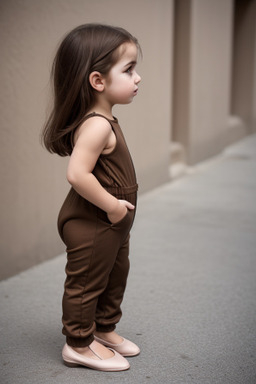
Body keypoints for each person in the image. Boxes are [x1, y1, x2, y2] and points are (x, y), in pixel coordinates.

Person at [42, 24, 141, 372]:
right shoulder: (97, 124)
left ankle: (103, 328)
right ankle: (79, 343)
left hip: (112, 223)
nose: (138, 77)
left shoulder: (107, 119)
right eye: (128, 70)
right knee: (86, 283)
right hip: (96, 220)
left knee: (115, 274)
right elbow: (77, 174)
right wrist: (114, 207)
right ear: (97, 81)